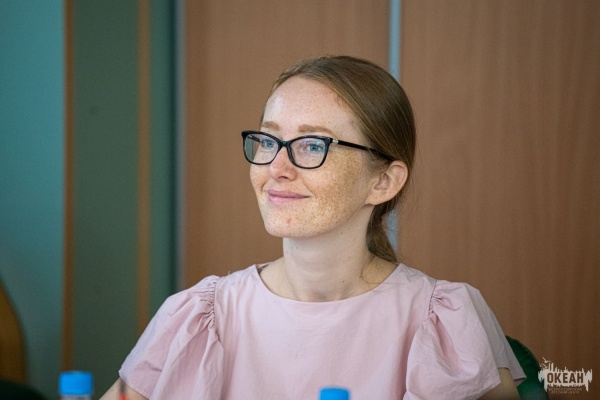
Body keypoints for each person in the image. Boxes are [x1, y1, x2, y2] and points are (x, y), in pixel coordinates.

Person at [101, 55, 525, 399]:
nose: (277, 167)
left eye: (311, 145)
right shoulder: (198, 318)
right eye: (268, 141)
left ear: (383, 181)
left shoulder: (443, 321)